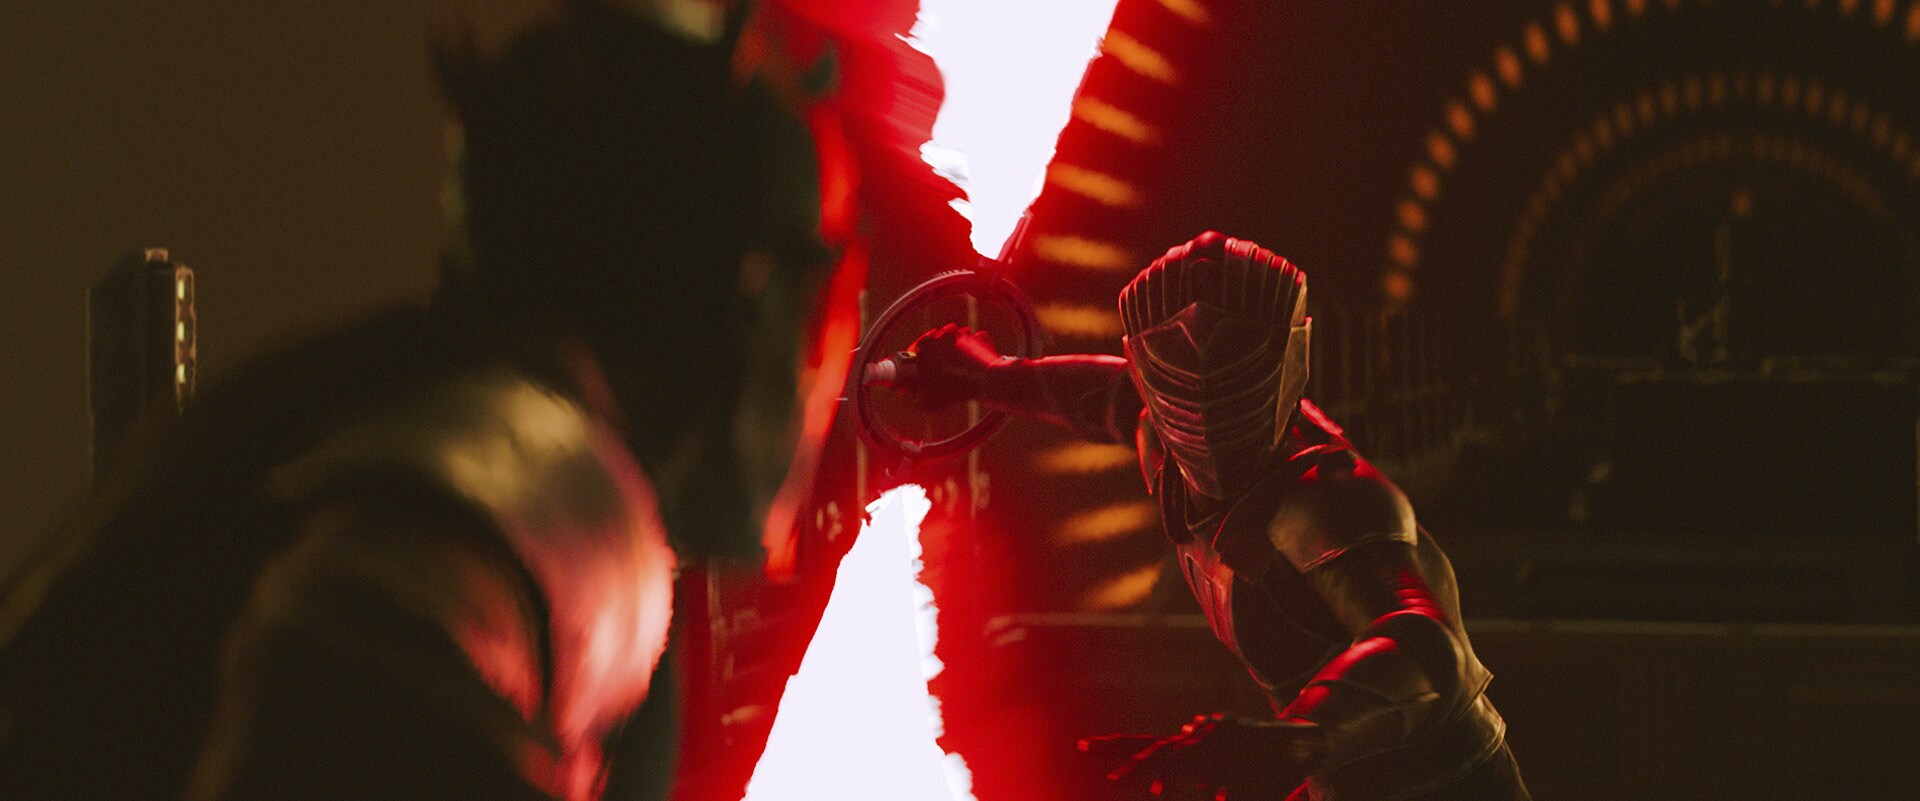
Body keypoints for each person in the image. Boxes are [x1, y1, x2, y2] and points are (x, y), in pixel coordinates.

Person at [0, 3, 854, 800]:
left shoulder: (311, 416)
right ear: (752, 294)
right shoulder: (552, 479)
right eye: (823, 309)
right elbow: (344, 692)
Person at [886, 232, 1529, 800]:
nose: (1208, 419)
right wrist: (986, 373)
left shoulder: (1325, 496)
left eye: (1228, 381)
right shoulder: (1161, 437)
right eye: (1181, 385)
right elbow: (1103, 394)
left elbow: (1424, 642)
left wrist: (1299, 737)